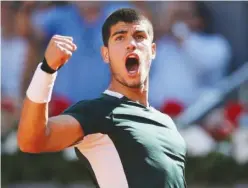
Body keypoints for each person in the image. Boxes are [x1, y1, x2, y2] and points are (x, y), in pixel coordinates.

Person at [17, 8, 187, 188]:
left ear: (153, 50)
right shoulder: (97, 112)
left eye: (139, 36)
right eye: (120, 37)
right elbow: (31, 140)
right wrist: (47, 70)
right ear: (105, 54)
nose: (131, 44)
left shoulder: (167, 123)